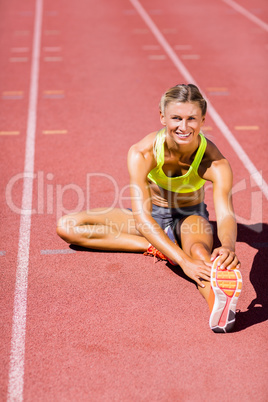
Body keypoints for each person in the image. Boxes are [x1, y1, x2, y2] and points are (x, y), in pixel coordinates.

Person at [57, 84, 242, 333]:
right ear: (162, 117)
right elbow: (143, 220)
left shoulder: (215, 162)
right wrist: (179, 260)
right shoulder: (142, 153)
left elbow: (227, 214)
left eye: (191, 119)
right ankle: (157, 247)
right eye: (176, 118)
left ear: (203, 120)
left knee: (199, 253)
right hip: (152, 216)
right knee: (68, 226)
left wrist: (228, 246)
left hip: (190, 216)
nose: (183, 127)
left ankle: (220, 308)